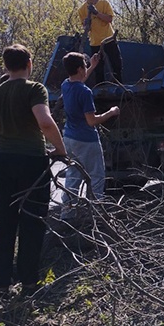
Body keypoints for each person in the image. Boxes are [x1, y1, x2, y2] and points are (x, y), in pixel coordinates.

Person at [0, 44, 67, 295]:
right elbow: (44, 121)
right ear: (29, 64)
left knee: (3, 221)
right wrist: (60, 149)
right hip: (31, 160)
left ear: (5, 66)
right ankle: (29, 283)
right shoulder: (34, 89)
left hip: (1, 160)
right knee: (32, 221)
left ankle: (1, 283)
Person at [60, 52, 120, 218]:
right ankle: (95, 214)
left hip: (69, 138)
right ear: (80, 69)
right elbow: (92, 121)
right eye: (85, 67)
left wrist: (92, 66)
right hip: (86, 140)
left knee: (73, 175)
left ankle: (67, 214)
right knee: (96, 176)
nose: (86, 69)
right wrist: (111, 112)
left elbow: (78, 84)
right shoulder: (86, 92)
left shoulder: (65, 85)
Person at [78, 0, 123, 84]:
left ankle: (119, 83)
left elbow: (109, 19)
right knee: (98, 67)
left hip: (108, 39)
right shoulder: (82, 9)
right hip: (95, 42)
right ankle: (100, 86)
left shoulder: (104, 3)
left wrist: (96, 13)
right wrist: (86, 24)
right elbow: (85, 28)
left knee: (116, 63)